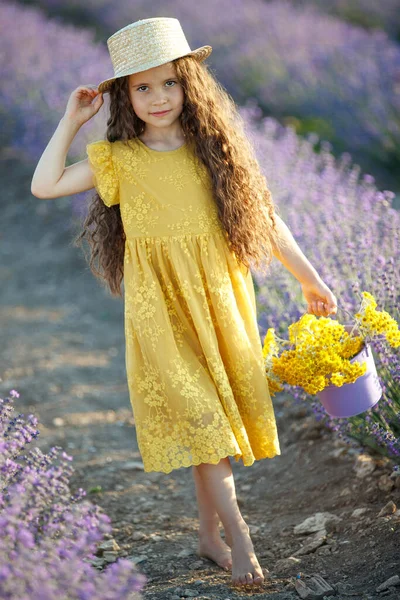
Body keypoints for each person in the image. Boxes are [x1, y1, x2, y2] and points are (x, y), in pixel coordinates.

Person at [31, 17, 337, 589]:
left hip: (220, 299)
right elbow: (44, 185)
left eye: (168, 83)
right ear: (124, 96)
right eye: (141, 87)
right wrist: (71, 120)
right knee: (203, 421)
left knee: (212, 427)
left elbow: (268, 221)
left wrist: (310, 279)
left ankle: (206, 536)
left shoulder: (214, 150)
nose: (158, 97)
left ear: (188, 82)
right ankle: (240, 540)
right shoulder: (119, 159)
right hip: (161, 311)